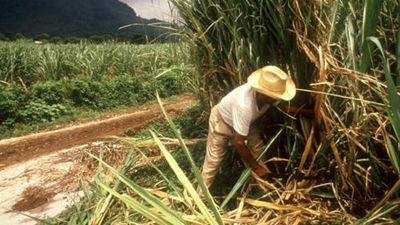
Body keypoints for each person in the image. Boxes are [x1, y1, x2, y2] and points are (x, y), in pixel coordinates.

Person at [199, 65, 308, 191]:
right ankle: (198, 198)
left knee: (259, 151)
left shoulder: (268, 97)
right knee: (213, 161)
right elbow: (239, 143)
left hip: (246, 124)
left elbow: (280, 108)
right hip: (222, 121)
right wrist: (256, 167)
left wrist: (304, 112)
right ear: (264, 94)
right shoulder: (244, 105)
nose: (277, 99)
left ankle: (264, 190)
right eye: (275, 97)